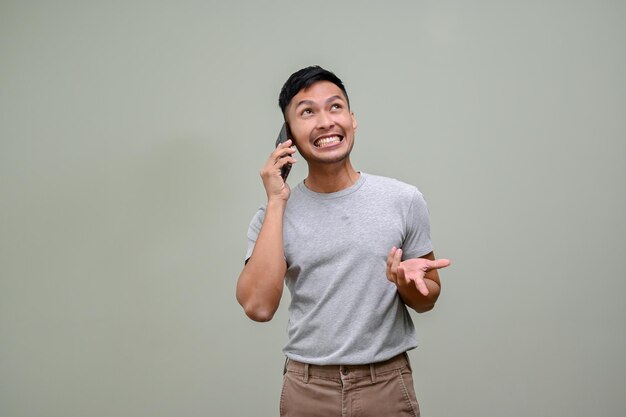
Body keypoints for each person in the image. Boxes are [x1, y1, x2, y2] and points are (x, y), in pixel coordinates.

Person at [236, 65, 451, 417]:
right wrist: (277, 200)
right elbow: (258, 307)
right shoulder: (272, 215)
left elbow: (427, 300)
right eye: (307, 112)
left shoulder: (403, 199)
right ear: (287, 135)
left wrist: (406, 284)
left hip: (385, 382)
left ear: (352, 118)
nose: (325, 122)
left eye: (335, 107)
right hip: (307, 388)